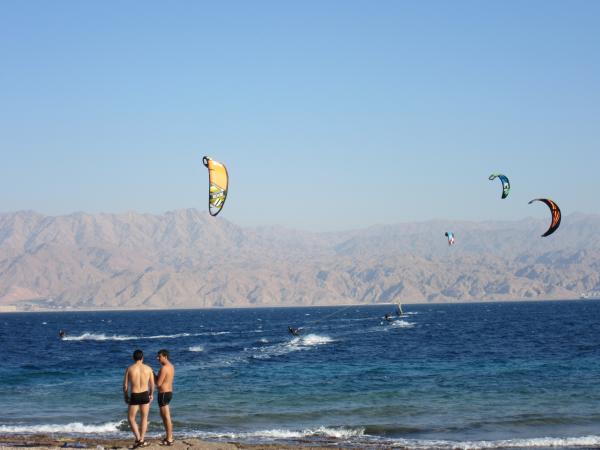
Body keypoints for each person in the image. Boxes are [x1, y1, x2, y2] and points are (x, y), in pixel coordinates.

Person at [123, 349, 154, 448]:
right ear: (142, 357)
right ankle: (142, 439)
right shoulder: (148, 368)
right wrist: (151, 394)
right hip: (145, 394)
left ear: (133, 358)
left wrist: (126, 395)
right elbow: (152, 384)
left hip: (135, 395)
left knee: (131, 418)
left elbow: (125, 386)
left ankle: (138, 438)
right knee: (144, 418)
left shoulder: (130, 368)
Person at [155, 349, 175, 446]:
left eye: (159, 356)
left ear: (165, 356)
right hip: (169, 393)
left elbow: (158, 384)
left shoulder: (164, 368)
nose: (157, 358)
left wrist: (152, 373)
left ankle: (169, 438)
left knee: (166, 417)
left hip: (163, 394)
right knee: (167, 417)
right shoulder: (171, 366)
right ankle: (169, 437)